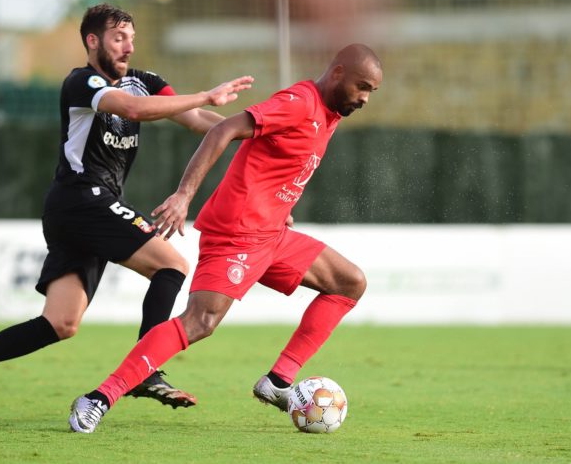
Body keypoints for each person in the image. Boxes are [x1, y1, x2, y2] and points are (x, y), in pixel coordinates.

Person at [0, 3, 253, 413]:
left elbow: (200, 119)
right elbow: (133, 110)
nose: (129, 47)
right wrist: (204, 93)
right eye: (118, 38)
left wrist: (251, 129)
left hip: (79, 209)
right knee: (171, 266)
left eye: (132, 38)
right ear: (92, 41)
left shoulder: (146, 81)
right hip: (81, 199)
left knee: (61, 323)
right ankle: (145, 368)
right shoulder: (82, 82)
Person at [68, 43, 383, 433]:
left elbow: (273, 159)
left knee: (349, 283)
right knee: (199, 322)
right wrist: (184, 195)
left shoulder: (330, 114)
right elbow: (225, 128)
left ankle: (279, 381)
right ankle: (98, 398)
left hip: (273, 234)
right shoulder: (300, 102)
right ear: (337, 73)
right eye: (362, 86)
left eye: (371, 91)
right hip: (238, 234)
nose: (365, 98)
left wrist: (280, 207)